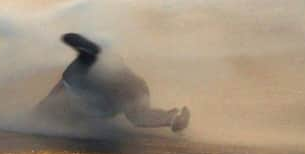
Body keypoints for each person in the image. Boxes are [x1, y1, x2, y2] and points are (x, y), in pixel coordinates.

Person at [36, 33, 190, 133]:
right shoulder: (75, 109)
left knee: (72, 82)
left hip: (114, 89)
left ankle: (90, 56)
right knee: (138, 116)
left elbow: (52, 100)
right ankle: (173, 119)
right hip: (128, 89)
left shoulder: (68, 92)